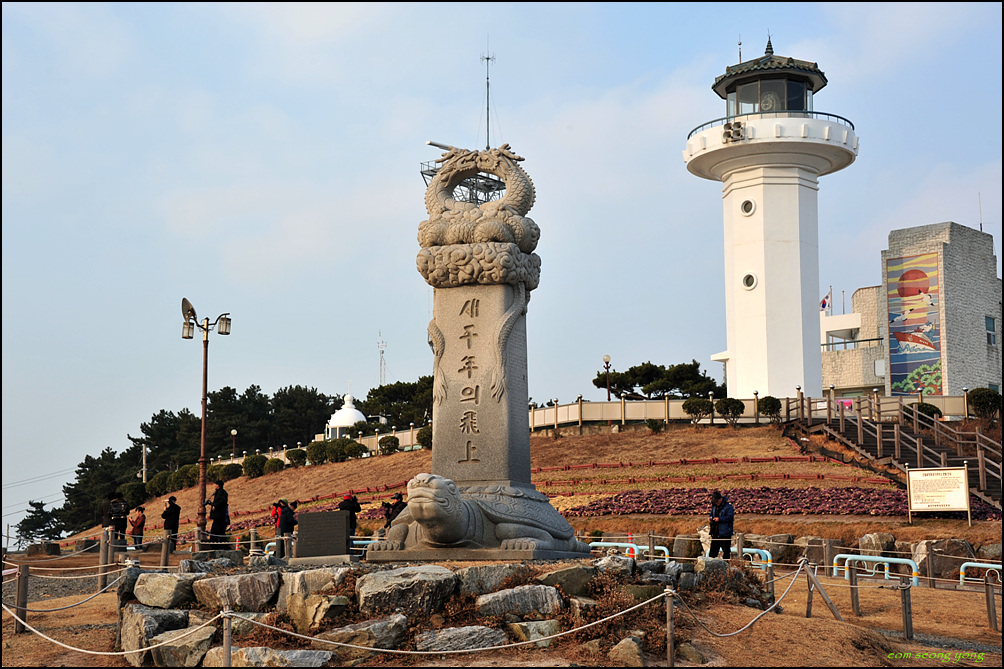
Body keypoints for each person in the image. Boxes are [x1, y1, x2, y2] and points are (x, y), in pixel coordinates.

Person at [708, 490, 735, 559]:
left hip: (725, 533)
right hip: (715, 532)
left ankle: (726, 564)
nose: (716, 503)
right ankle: (711, 564)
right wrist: (710, 518)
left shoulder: (728, 507)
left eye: (717, 501)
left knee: (726, 552)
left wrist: (720, 519)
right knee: (712, 553)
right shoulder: (714, 506)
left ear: (721, 499)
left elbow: (730, 517)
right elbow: (711, 514)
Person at [206, 480, 230, 547]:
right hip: (218, 515)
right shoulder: (219, 492)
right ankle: (218, 545)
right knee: (217, 531)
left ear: (218, 485)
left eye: (216, 484)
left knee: (218, 531)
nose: (215, 486)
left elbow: (222, 502)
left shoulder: (221, 493)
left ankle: (220, 545)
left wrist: (215, 505)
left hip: (219, 516)